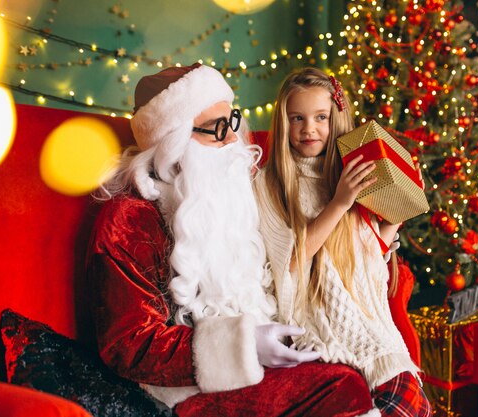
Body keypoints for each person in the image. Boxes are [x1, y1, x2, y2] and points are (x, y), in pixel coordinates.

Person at [86, 63, 376, 417]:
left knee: (355, 369)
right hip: (183, 387)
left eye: (232, 121)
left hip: (262, 362)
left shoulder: (237, 194)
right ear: (173, 143)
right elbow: (130, 345)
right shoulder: (132, 218)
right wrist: (246, 345)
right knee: (341, 388)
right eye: (214, 130)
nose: (231, 140)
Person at [254, 67, 432, 417]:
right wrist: (339, 202)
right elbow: (288, 263)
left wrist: (398, 210)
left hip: (368, 319)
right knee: (402, 402)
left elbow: (367, 253)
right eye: (297, 118)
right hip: (320, 323)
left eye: (321, 117)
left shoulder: (348, 171)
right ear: (284, 121)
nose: (309, 129)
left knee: (411, 400)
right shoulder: (269, 183)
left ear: (335, 118)